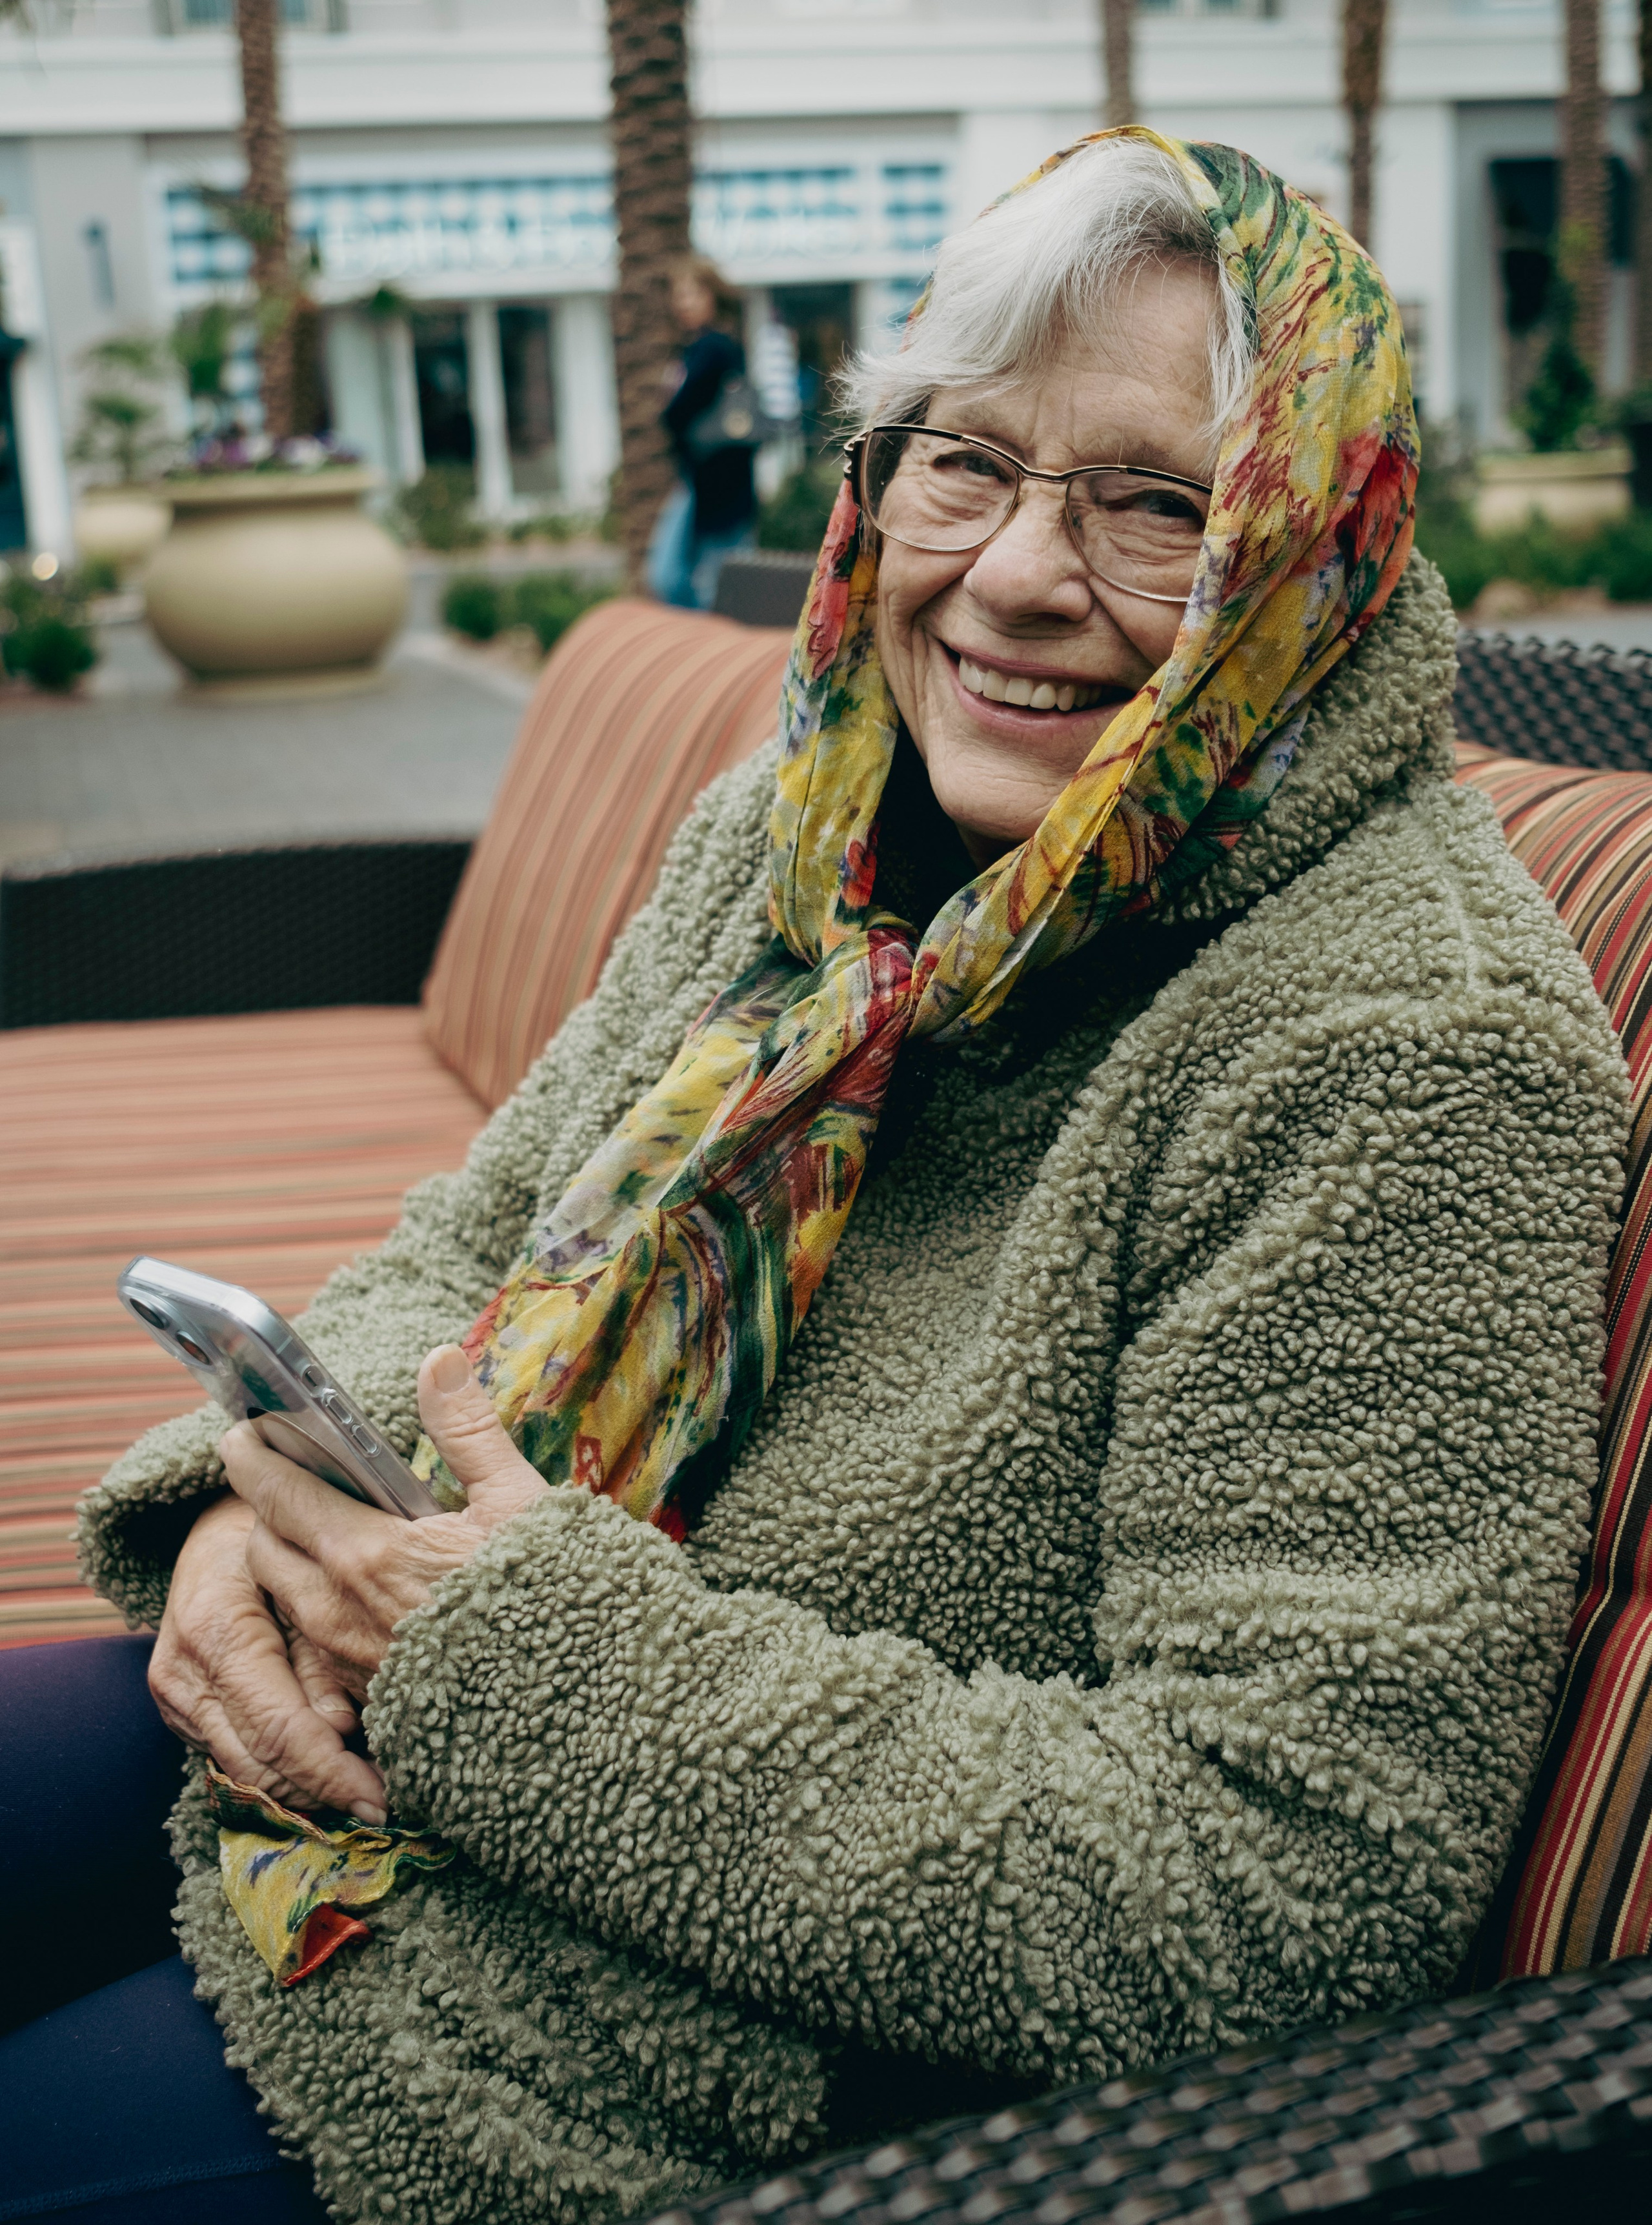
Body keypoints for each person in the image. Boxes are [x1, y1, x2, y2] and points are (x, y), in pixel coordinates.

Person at [6, 129, 1627, 2225]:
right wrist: (267, 1507)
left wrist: (503, 1653)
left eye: (1156, 505)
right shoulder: (816, 824)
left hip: (686, 2055)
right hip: (401, 1764)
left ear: (1314, 539)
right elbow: (463, 1246)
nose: (1022, 572)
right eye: (966, 462)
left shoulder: (1395, 1039)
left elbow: (1276, 1884)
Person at [648, 253, 760, 609]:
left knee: (702, 584)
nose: (684, 304)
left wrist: (672, 399)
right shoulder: (704, 348)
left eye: (693, 294)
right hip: (706, 485)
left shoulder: (713, 348)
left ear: (713, 296)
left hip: (720, 487)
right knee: (694, 580)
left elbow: (677, 413)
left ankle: (708, 652)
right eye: (679, 296)